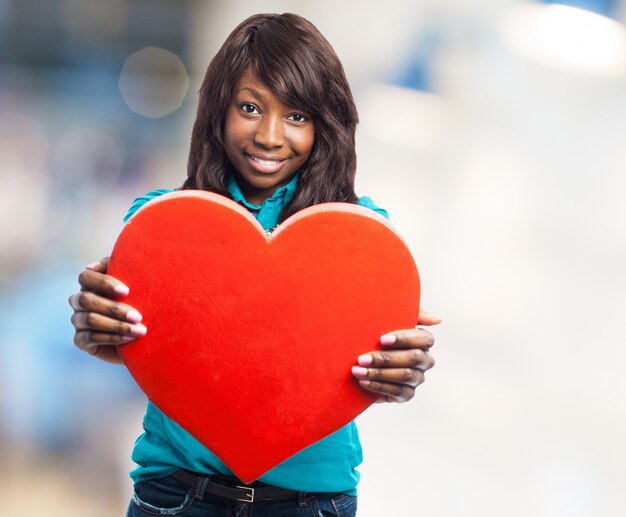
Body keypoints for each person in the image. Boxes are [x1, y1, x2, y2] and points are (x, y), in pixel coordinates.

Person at [68, 12, 439, 517]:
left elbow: (348, 372)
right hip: (178, 495)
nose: (269, 136)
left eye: (296, 116)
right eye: (250, 107)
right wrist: (98, 333)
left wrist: (400, 376)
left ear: (324, 126)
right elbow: (158, 352)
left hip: (311, 502)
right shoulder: (160, 223)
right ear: (218, 109)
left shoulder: (361, 235)